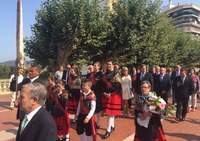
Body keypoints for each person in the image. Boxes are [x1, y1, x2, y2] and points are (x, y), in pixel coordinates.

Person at [102, 59, 122, 139]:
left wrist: (110, 93)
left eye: (110, 64)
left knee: (110, 113)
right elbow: (102, 84)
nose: (109, 66)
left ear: (113, 65)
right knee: (110, 112)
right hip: (106, 95)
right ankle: (112, 126)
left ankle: (108, 130)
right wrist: (104, 92)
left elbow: (118, 86)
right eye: (108, 64)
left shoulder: (116, 74)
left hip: (114, 95)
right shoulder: (105, 74)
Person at [86, 62, 103, 129]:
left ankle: (98, 123)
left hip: (97, 93)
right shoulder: (90, 74)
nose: (95, 67)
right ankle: (92, 121)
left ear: (99, 67)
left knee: (97, 109)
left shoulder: (101, 74)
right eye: (94, 66)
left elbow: (100, 84)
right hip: (90, 92)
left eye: (96, 66)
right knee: (90, 107)